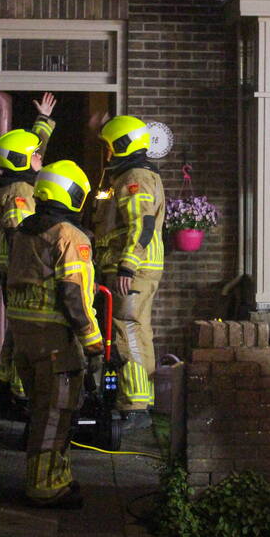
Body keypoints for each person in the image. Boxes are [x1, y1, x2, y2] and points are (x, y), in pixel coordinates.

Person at [5, 160, 103, 509]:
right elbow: (73, 295)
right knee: (56, 414)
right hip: (55, 341)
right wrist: (94, 343)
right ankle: (44, 486)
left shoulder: (24, 231)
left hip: (25, 339)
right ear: (72, 194)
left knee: (43, 410)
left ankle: (57, 476)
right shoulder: (68, 236)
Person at [93, 115, 164, 430]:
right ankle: (137, 401)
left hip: (133, 270)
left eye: (109, 146)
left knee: (128, 330)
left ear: (121, 145)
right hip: (132, 268)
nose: (107, 154)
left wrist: (127, 265)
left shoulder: (134, 177)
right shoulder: (127, 176)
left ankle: (135, 407)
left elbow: (142, 223)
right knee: (135, 330)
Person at [0, 93, 57, 402]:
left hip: (19, 271)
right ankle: (19, 392)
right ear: (21, 160)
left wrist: (43, 122)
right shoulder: (20, 192)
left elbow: (32, 151)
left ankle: (8, 382)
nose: (40, 157)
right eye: (34, 155)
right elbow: (22, 235)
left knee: (17, 329)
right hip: (22, 272)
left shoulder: (19, 181)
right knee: (24, 331)